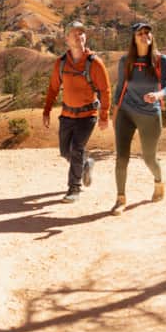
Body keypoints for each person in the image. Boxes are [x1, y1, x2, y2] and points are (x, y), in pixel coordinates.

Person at [42, 21, 111, 202]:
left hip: (87, 116)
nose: (78, 36)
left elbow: (105, 90)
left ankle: (74, 188)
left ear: (85, 37)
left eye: (81, 33)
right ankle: (86, 164)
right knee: (66, 152)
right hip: (67, 115)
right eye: (74, 34)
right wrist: (46, 110)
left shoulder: (95, 63)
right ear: (67, 39)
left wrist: (104, 115)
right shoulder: (61, 63)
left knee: (77, 149)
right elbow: (53, 89)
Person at [109, 21, 166, 215]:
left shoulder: (162, 61)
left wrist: (157, 95)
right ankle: (120, 199)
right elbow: (120, 88)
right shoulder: (125, 61)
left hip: (150, 115)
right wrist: (114, 112)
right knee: (121, 158)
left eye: (147, 32)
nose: (145, 35)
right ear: (134, 39)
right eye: (140, 33)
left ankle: (159, 182)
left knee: (149, 158)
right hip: (126, 113)